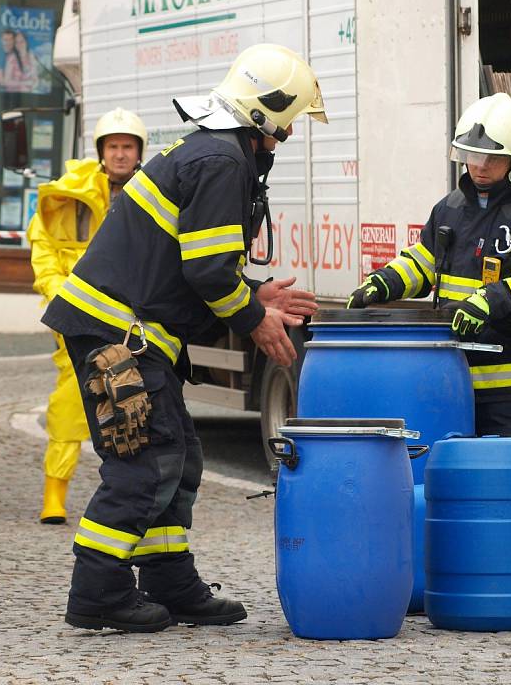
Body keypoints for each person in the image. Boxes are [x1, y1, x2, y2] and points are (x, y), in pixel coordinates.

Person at [42, 43, 326, 633]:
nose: (288, 136)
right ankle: (98, 590)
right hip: (121, 335)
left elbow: (197, 262)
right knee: (145, 460)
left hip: (123, 328)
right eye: (288, 123)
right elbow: (206, 272)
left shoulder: (208, 151)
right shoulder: (223, 162)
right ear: (263, 116)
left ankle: (169, 579)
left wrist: (255, 294)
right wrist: (254, 318)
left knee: (178, 456)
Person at [347, 93, 511, 439]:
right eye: (471, 156)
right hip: (453, 382)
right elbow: (424, 262)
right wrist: (383, 282)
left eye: (490, 158)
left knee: (506, 490)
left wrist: (487, 302)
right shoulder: (451, 208)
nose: (479, 166)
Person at [27, 107, 146, 525]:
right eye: (112, 146)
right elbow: (43, 245)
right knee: (70, 402)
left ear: (138, 152)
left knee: (134, 404)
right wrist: (57, 293)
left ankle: (128, 493)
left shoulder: (149, 194)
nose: (119, 154)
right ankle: (54, 492)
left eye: (127, 147)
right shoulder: (70, 194)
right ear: (100, 151)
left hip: (131, 319)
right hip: (77, 317)